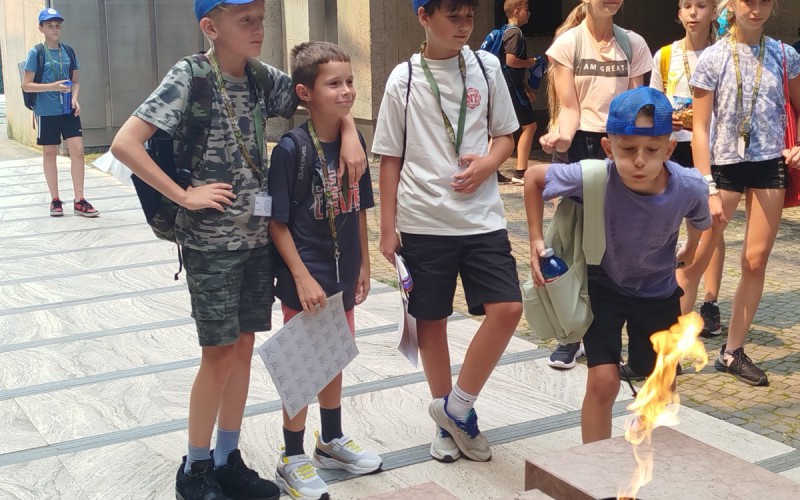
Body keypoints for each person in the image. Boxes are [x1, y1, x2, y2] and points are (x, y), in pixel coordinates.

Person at [110, 1, 367, 499]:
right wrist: (183, 195)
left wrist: (352, 132)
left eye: (260, 19)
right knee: (218, 355)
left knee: (244, 348)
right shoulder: (190, 75)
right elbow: (126, 143)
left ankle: (228, 458)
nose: (257, 29)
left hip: (255, 241)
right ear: (211, 27)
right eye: (244, 20)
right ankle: (195, 467)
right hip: (210, 244)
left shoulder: (259, 77)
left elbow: (321, 96)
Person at [374, 0, 522, 464]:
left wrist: (488, 165)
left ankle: (456, 408)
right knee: (431, 321)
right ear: (424, 17)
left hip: (482, 219)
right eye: (452, 17)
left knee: (508, 308)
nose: (463, 27)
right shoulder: (404, 78)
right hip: (423, 220)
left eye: (468, 17)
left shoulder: (487, 67)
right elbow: (390, 158)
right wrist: (386, 229)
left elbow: (505, 135)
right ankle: (447, 425)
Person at [524, 87, 711, 443]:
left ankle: (642, 437)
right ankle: (595, 463)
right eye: (628, 149)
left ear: (669, 149)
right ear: (608, 148)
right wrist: (535, 238)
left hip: (658, 294)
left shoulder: (689, 186)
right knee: (603, 381)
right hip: (605, 287)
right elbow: (534, 179)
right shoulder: (595, 175)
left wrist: (691, 249)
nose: (639, 161)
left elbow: (702, 221)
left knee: (661, 380)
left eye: (652, 150)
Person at [268, 41, 382, 500]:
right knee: (302, 365)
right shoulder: (291, 150)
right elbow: (276, 222)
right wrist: (300, 276)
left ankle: (330, 441)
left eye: (349, 81)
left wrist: (365, 264)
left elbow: (359, 207)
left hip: (342, 272)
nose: (346, 91)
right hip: (307, 276)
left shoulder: (355, 145)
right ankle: (291, 456)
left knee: (334, 355)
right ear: (305, 92)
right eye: (334, 84)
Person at [677, 0, 800, 387]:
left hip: (769, 163)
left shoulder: (785, 55)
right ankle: (668, 351)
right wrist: (708, 185)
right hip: (723, 166)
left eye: (764, 1)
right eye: (749, 1)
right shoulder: (713, 58)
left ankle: (732, 352)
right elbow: (699, 130)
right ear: (733, 4)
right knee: (697, 258)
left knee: (756, 260)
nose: (756, 9)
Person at [539, 0, 652, 371]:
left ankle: (611, 339)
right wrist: (560, 138)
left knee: (619, 246)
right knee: (577, 246)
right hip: (582, 146)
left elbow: (638, 109)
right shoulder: (567, 45)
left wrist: (645, 150)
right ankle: (571, 336)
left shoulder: (633, 44)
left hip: (621, 145)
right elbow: (570, 109)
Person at [650, 0, 725, 342]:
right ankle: (665, 290)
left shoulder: (721, 54)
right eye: (688, 6)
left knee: (711, 223)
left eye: (702, 6)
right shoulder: (665, 55)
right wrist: (667, 118)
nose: (694, 13)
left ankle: (710, 302)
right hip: (673, 146)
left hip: (710, 149)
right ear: (679, 14)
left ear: (713, 13)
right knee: (666, 218)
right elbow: (652, 102)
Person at [22, 8, 98, 217]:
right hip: (46, 111)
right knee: (50, 153)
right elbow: (26, 85)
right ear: (41, 28)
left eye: (57, 25)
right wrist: (52, 87)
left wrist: (74, 98)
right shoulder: (36, 53)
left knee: (78, 151)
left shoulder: (68, 51)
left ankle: (79, 200)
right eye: (50, 25)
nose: (55, 29)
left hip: (68, 109)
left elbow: (75, 82)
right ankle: (55, 200)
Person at [501, 0, 539, 184]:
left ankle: (494, 170)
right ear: (516, 12)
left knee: (500, 129)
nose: (529, 13)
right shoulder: (515, 33)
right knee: (530, 126)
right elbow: (511, 61)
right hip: (511, 88)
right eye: (526, 10)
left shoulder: (505, 31)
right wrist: (530, 62)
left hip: (508, 86)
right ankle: (521, 172)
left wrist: (524, 86)